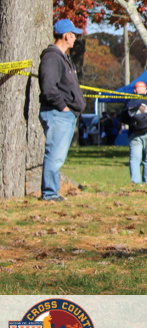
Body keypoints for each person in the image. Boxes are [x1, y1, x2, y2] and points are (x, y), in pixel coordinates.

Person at [38, 19, 87, 201]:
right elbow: (49, 88)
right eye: (73, 35)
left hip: (65, 114)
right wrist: (63, 108)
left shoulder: (63, 58)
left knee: (58, 155)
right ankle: (50, 193)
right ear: (66, 36)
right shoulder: (52, 57)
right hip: (58, 113)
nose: (75, 39)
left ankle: (52, 191)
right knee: (55, 154)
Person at [121, 80, 147, 185]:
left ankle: (135, 182)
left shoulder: (130, 102)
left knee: (134, 159)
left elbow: (123, 118)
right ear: (146, 90)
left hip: (135, 133)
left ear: (135, 91)